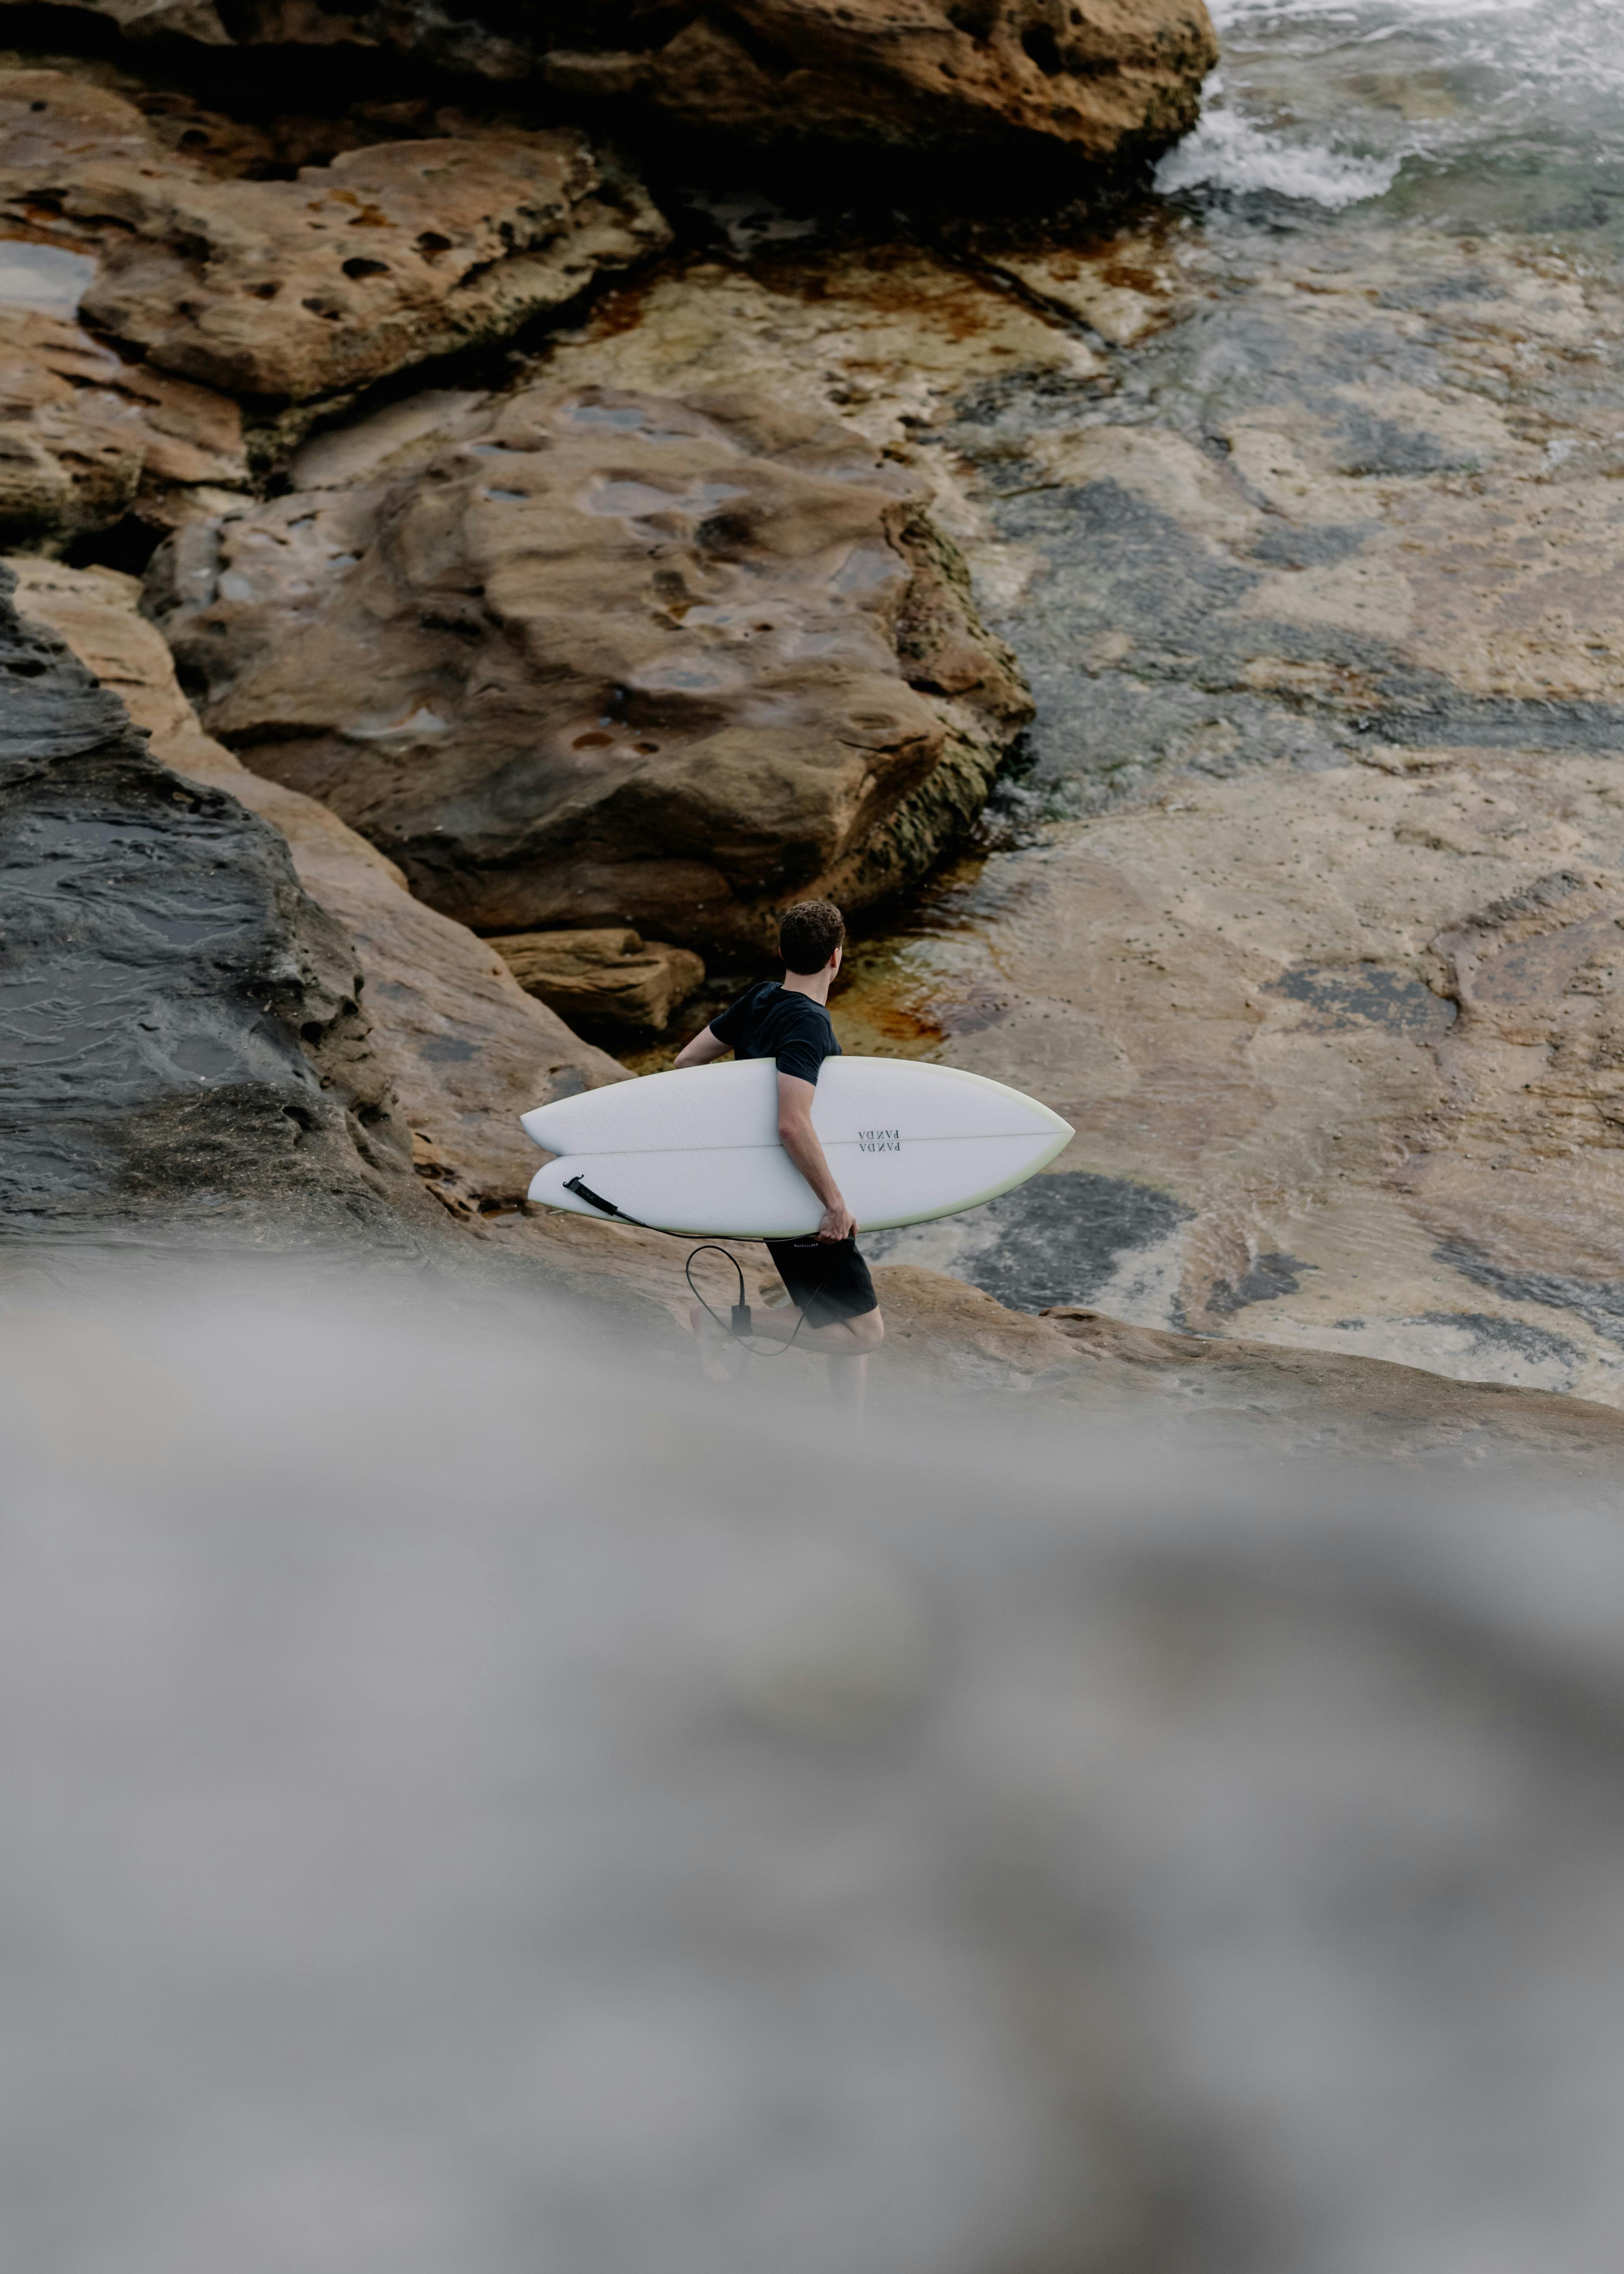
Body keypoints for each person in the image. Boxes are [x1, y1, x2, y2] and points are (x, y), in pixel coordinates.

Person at [674, 899, 884, 1419]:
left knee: (835, 1311)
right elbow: (792, 1123)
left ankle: (850, 1432)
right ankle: (722, 1321)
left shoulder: (762, 999)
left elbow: (686, 1062)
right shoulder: (808, 1025)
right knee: (863, 1334)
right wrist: (834, 1203)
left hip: (777, 1185)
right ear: (837, 958)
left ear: (780, 951)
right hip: (802, 1197)